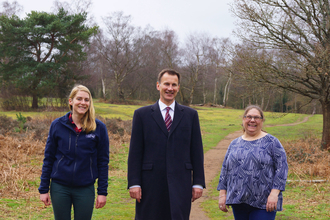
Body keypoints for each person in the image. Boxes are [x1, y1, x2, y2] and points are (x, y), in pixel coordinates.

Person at [127, 68, 205, 220]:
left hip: (181, 184)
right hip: (150, 184)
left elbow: (196, 151)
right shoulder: (142, 115)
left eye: (174, 85)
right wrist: (134, 183)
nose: (170, 88)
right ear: (158, 86)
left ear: (178, 88)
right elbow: (135, 152)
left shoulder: (190, 115)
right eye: (166, 84)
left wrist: (198, 183)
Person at [38, 85, 109, 220]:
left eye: (86, 100)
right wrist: (43, 189)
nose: (83, 103)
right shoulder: (57, 125)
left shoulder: (99, 128)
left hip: (85, 188)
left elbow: (103, 162)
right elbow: (48, 158)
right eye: (79, 99)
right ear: (71, 101)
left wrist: (102, 192)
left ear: (90, 103)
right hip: (60, 187)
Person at [217, 105, 288, 220]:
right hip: (238, 201)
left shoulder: (272, 142)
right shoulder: (234, 144)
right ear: (243, 119)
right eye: (249, 117)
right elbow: (225, 169)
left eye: (257, 117)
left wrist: (274, 194)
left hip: (265, 202)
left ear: (262, 121)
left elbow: (282, 168)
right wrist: (222, 194)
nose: (252, 120)